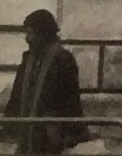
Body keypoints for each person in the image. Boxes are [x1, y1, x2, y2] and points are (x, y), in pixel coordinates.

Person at [4, 12, 84, 156]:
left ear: (43, 34)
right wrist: (8, 125)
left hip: (51, 138)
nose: (27, 39)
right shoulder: (28, 60)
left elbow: (71, 100)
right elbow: (17, 96)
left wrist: (68, 133)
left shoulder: (63, 60)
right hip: (27, 137)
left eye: (30, 33)